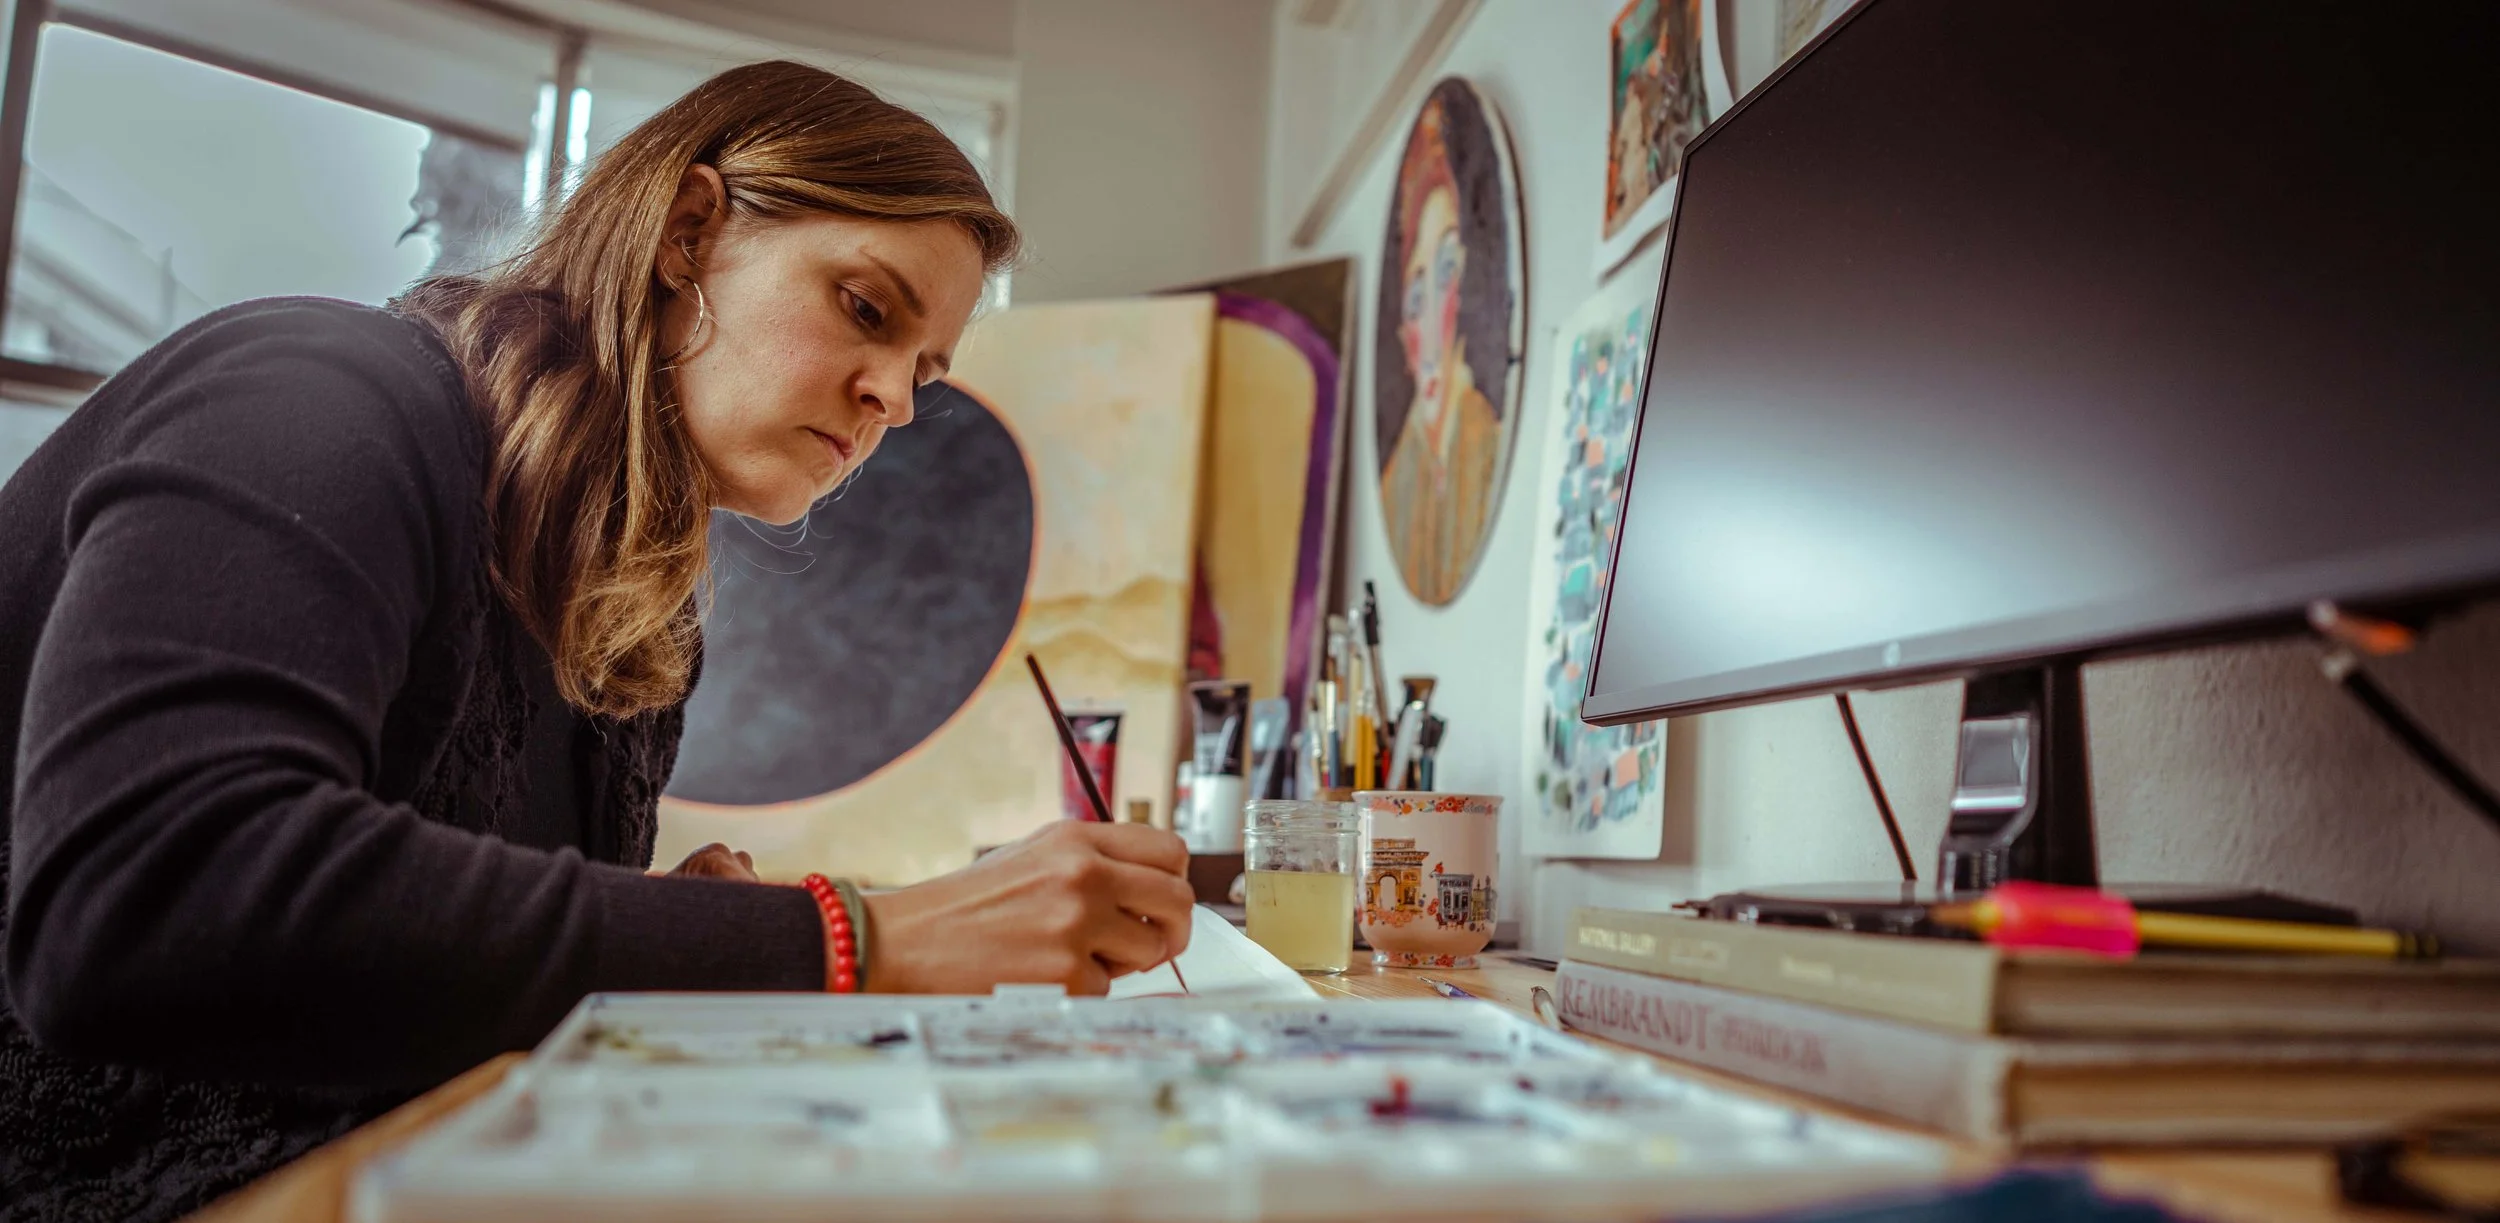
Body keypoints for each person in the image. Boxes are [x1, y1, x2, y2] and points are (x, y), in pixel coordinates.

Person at [0, 61, 1195, 1221]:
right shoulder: (313, 397)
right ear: (686, 230)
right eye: (865, 307)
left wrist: (688, 939)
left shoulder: (635, 607)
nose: (893, 396)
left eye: (924, 373)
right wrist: (851, 936)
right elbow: (146, 898)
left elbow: (408, 964)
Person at [1380, 96, 1503, 606]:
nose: (1430, 325)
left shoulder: (1485, 443)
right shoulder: (1395, 486)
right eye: (1415, 296)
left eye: (1448, 273)